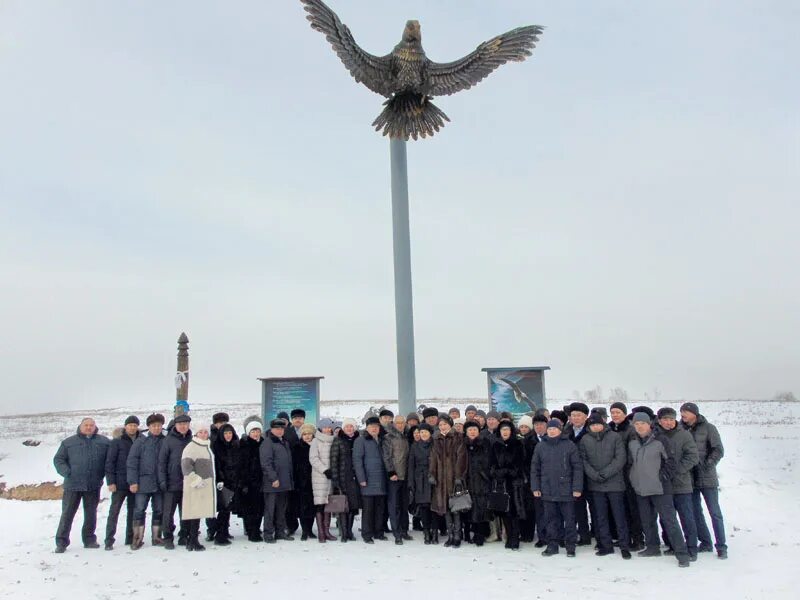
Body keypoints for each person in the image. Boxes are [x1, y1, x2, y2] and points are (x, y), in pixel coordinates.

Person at [628, 412, 691, 567]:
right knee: (647, 520)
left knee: (669, 521)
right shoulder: (633, 442)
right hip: (641, 489)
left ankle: (682, 553)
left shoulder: (661, 440)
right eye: (636, 424)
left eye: (642, 423)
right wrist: (633, 479)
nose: (639, 426)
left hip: (660, 488)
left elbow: (671, 462)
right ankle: (652, 547)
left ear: (649, 424)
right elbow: (631, 464)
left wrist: (662, 477)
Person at [53, 417, 110, 553]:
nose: (89, 427)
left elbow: (110, 460)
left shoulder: (104, 442)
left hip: (93, 484)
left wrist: (103, 475)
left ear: (95, 427)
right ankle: (61, 542)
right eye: (86, 425)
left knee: (91, 513)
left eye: (91, 425)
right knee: (67, 514)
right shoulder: (69, 442)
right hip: (73, 485)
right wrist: (67, 472)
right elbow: (58, 459)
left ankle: (89, 539)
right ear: (81, 426)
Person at [579, 414, 631, 559]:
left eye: (598, 424)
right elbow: (583, 460)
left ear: (603, 424)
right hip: (595, 485)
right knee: (600, 517)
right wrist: (594, 475)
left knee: (619, 516)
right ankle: (605, 545)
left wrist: (605, 473)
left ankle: (624, 545)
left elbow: (620, 458)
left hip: (615, 484)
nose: (595, 427)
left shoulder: (614, 437)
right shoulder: (585, 439)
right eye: (592, 425)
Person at [680, 402, 728, 559]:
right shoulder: (681, 429)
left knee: (715, 512)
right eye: (681, 412)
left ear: (694, 413)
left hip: (707, 477)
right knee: (695, 512)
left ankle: (721, 546)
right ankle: (705, 542)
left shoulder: (709, 428)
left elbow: (718, 449)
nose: (683, 415)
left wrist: (708, 464)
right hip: (690, 478)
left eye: (686, 412)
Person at [531, 419, 582, 558]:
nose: (552, 431)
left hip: (566, 489)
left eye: (554, 428)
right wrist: (535, 486)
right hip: (547, 489)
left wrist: (577, 487)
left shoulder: (569, 445)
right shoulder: (541, 446)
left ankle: (570, 546)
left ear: (560, 430)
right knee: (550, 519)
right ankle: (552, 544)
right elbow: (535, 469)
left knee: (569, 519)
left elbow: (577, 468)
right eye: (549, 429)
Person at [654, 407, 699, 560]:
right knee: (666, 517)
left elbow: (692, 456)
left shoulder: (684, 435)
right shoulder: (655, 436)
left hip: (681, 483)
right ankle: (672, 545)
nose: (668, 422)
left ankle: (692, 548)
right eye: (665, 419)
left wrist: (676, 470)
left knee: (687, 517)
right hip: (663, 484)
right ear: (659, 421)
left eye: (671, 419)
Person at [127, 413, 166, 550]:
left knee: (159, 510)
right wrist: (132, 481)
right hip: (143, 483)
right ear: (149, 427)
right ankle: (137, 538)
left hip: (159, 484)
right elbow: (132, 462)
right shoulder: (141, 441)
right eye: (154, 426)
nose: (156, 428)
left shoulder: (165, 440)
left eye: (159, 426)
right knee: (139, 510)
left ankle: (156, 537)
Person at [608, 401, 644, 550]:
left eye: (618, 412)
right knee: (619, 508)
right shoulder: (609, 429)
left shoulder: (630, 430)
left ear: (624, 413)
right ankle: (623, 536)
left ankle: (638, 538)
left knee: (632, 508)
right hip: (613, 475)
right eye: (613, 412)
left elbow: (633, 453)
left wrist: (623, 466)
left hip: (628, 474)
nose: (615, 415)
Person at [103, 415, 140, 550]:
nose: (132, 427)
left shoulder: (140, 441)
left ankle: (130, 538)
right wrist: (111, 481)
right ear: (125, 427)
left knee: (132, 512)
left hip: (134, 483)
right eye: (130, 425)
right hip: (119, 483)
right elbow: (110, 462)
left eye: (135, 425)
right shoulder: (117, 442)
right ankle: (109, 539)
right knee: (114, 512)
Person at [430, 414, 467, 548]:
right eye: (440, 425)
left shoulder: (457, 437)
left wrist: (458, 477)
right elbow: (433, 458)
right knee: (444, 508)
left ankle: (457, 536)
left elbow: (461, 458)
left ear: (450, 424)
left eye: (445, 424)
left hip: (453, 480)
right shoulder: (436, 439)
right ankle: (450, 535)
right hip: (441, 481)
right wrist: (432, 474)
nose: (443, 427)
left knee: (455, 508)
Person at [179, 423, 217, 551]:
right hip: (195, 486)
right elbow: (186, 467)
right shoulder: (191, 447)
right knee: (194, 514)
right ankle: (192, 540)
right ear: (196, 433)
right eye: (201, 432)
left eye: (205, 432)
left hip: (205, 486)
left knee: (199, 513)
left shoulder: (206, 446)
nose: (203, 434)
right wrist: (196, 479)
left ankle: (192, 540)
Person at [490, 420, 526, 550]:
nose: (505, 432)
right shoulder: (495, 445)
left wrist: (508, 471)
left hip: (514, 484)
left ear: (511, 431)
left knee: (514, 512)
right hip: (501, 483)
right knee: (504, 511)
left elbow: (519, 465)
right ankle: (509, 536)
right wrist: (498, 472)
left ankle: (515, 537)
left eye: (507, 429)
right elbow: (492, 465)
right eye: (502, 430)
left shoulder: (517, 444)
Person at [158, 414, 192, 549]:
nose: (183, 426)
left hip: (188, 483)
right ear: (176, 426)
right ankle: (167, 537)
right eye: (180, 424)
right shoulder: (168, 441)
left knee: (186, 512)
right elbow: (161, 462)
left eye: (185, 424)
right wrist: (162, 481)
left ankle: (184, 535)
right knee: (168, 513)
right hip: (171, 483)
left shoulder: (192, 439)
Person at [354, 416, 387, 543]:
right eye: (371, 426)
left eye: (376, 426)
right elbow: (357, 461)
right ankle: (367, 534)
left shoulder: (382, 440)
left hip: (382, 480)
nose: (374, 428)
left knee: (380, 509)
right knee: (368, 510)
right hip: (368, 480)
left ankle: (379, 532)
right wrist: (361, 478)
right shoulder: (361, 441)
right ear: (366, 428)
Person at [260, 418, 295, 543]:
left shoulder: (284, 442)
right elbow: (266, 463)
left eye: (282, 429)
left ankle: (280, 532)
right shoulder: (267, 443)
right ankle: (268, 533)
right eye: (277, 429)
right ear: (272, 429)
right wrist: (273, 478)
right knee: (270, 509)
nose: (280, 431)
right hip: (273, 483)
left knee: (281, 509)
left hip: (284, 482)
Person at [564, 402, 592, 546]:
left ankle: (596, 535)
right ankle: (582, 534)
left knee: (594, 508)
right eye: (573, 415)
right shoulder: (566, 431)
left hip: (590, 475)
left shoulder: (591, 430)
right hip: (573, 476)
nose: (575, 418)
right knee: (577, 507)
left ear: (585, 417)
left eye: (578, 415)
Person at [330, 417, 361, 542]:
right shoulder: (338, 440)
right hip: (343, 478)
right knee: (343, 506)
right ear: (343, 428)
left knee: (353, 507)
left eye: (351, 426)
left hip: (355, 479)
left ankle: (349, 531)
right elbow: (333, 461)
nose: (349, 428)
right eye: (347, 426)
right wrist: (335, 479)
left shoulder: (358, 440)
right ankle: (343, 533)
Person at [383, 413, 412, 543]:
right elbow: (387, 456)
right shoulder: (388, 437)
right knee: (394, 506)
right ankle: (397, 533)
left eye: (402, 422)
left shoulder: (407, 436)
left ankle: (404, 530)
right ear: (394, 424)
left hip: (406, 476)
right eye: (398, 422)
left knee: (404, 505)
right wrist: (391, 472)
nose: (400, 425)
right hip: (394, 477)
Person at [235, 418, 265, 542]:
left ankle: (256, 529)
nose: (256, 433)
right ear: (248, 432)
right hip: (247, 483)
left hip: (261, 481)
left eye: (257, 431)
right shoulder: (243, 444)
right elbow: (240, 465)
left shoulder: (263, 444)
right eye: (253, 431)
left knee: (259, 508)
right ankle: (251, 531)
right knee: (249, 509)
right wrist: (243, 483)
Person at [462, 421, 490, 546]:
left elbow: (489, 462)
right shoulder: (463, 445)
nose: (472, 432)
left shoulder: (484, 444)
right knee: (469, 507)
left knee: (481, 507)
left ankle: (481, 534)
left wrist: (484, 474)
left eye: (474, 429)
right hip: (468, 481)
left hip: (481, 480)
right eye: (470, 430)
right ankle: (468, 532)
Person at [210, 422, 239, 545]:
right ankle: (219, 535)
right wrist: (220, 479)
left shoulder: (235, 445)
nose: (228, 435)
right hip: (223, 482)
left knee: (228, 509)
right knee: (223, 509)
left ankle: (225, 531)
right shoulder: (217, 447)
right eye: (225, 433)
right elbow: (217, 465)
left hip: (234, 481)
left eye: (230, 433)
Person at [309, 418, 336, 543]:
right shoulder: (316, 441)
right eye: (324, 427)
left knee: (329, 504)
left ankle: (327, 531)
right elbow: (313, 459)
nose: (327, 429)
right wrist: (325, 470)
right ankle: (321, 532)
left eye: (328, 427)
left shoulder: (334, 440)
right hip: (320, 476)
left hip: (332, 477)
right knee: (320, 504)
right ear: (320, 428)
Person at [407, 423, 435, 543]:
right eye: (421, 432)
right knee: (424, 507)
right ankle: (426, 532)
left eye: (425, 432)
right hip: (420, 479)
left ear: (430, 433)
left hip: (433, 478)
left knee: (434, 507)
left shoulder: (435, 444)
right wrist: (411, 482)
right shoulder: (414, 446)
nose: (423, 434)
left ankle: (435, 532)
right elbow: (411, 466)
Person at [292, 424, 317, 541]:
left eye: (309, 434)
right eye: (304, 434)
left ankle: (310, 530)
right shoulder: (297, 447)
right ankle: (304, 531)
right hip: (301, 482)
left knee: (312, 508)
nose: (307, 437)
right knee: (303, 507)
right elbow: (293, 466)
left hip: (315, 482)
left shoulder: (317, 446)